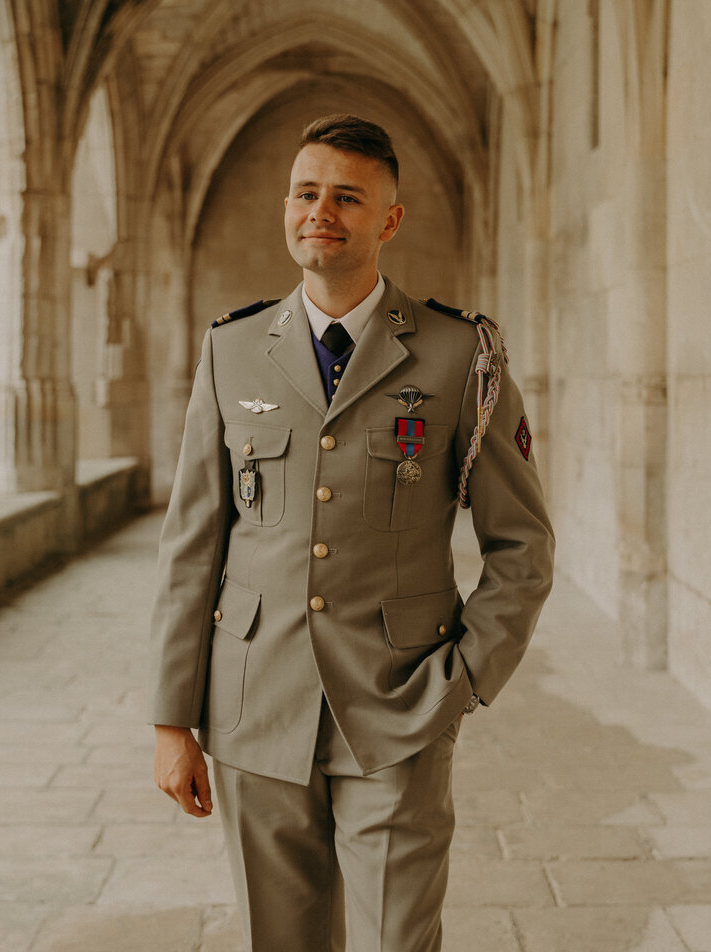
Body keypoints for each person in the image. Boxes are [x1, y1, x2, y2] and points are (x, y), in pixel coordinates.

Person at [149, 114, 554, 952]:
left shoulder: (458, 356)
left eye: (347, 197)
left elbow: (521, 546)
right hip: (256, 707)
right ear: (286, 205)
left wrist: (468, 678)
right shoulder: (231, 351)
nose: (319, 212)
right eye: (305, 192)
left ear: (389, 220)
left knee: (397, 940)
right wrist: (170, 719)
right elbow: (193, 545)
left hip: (402, 708)